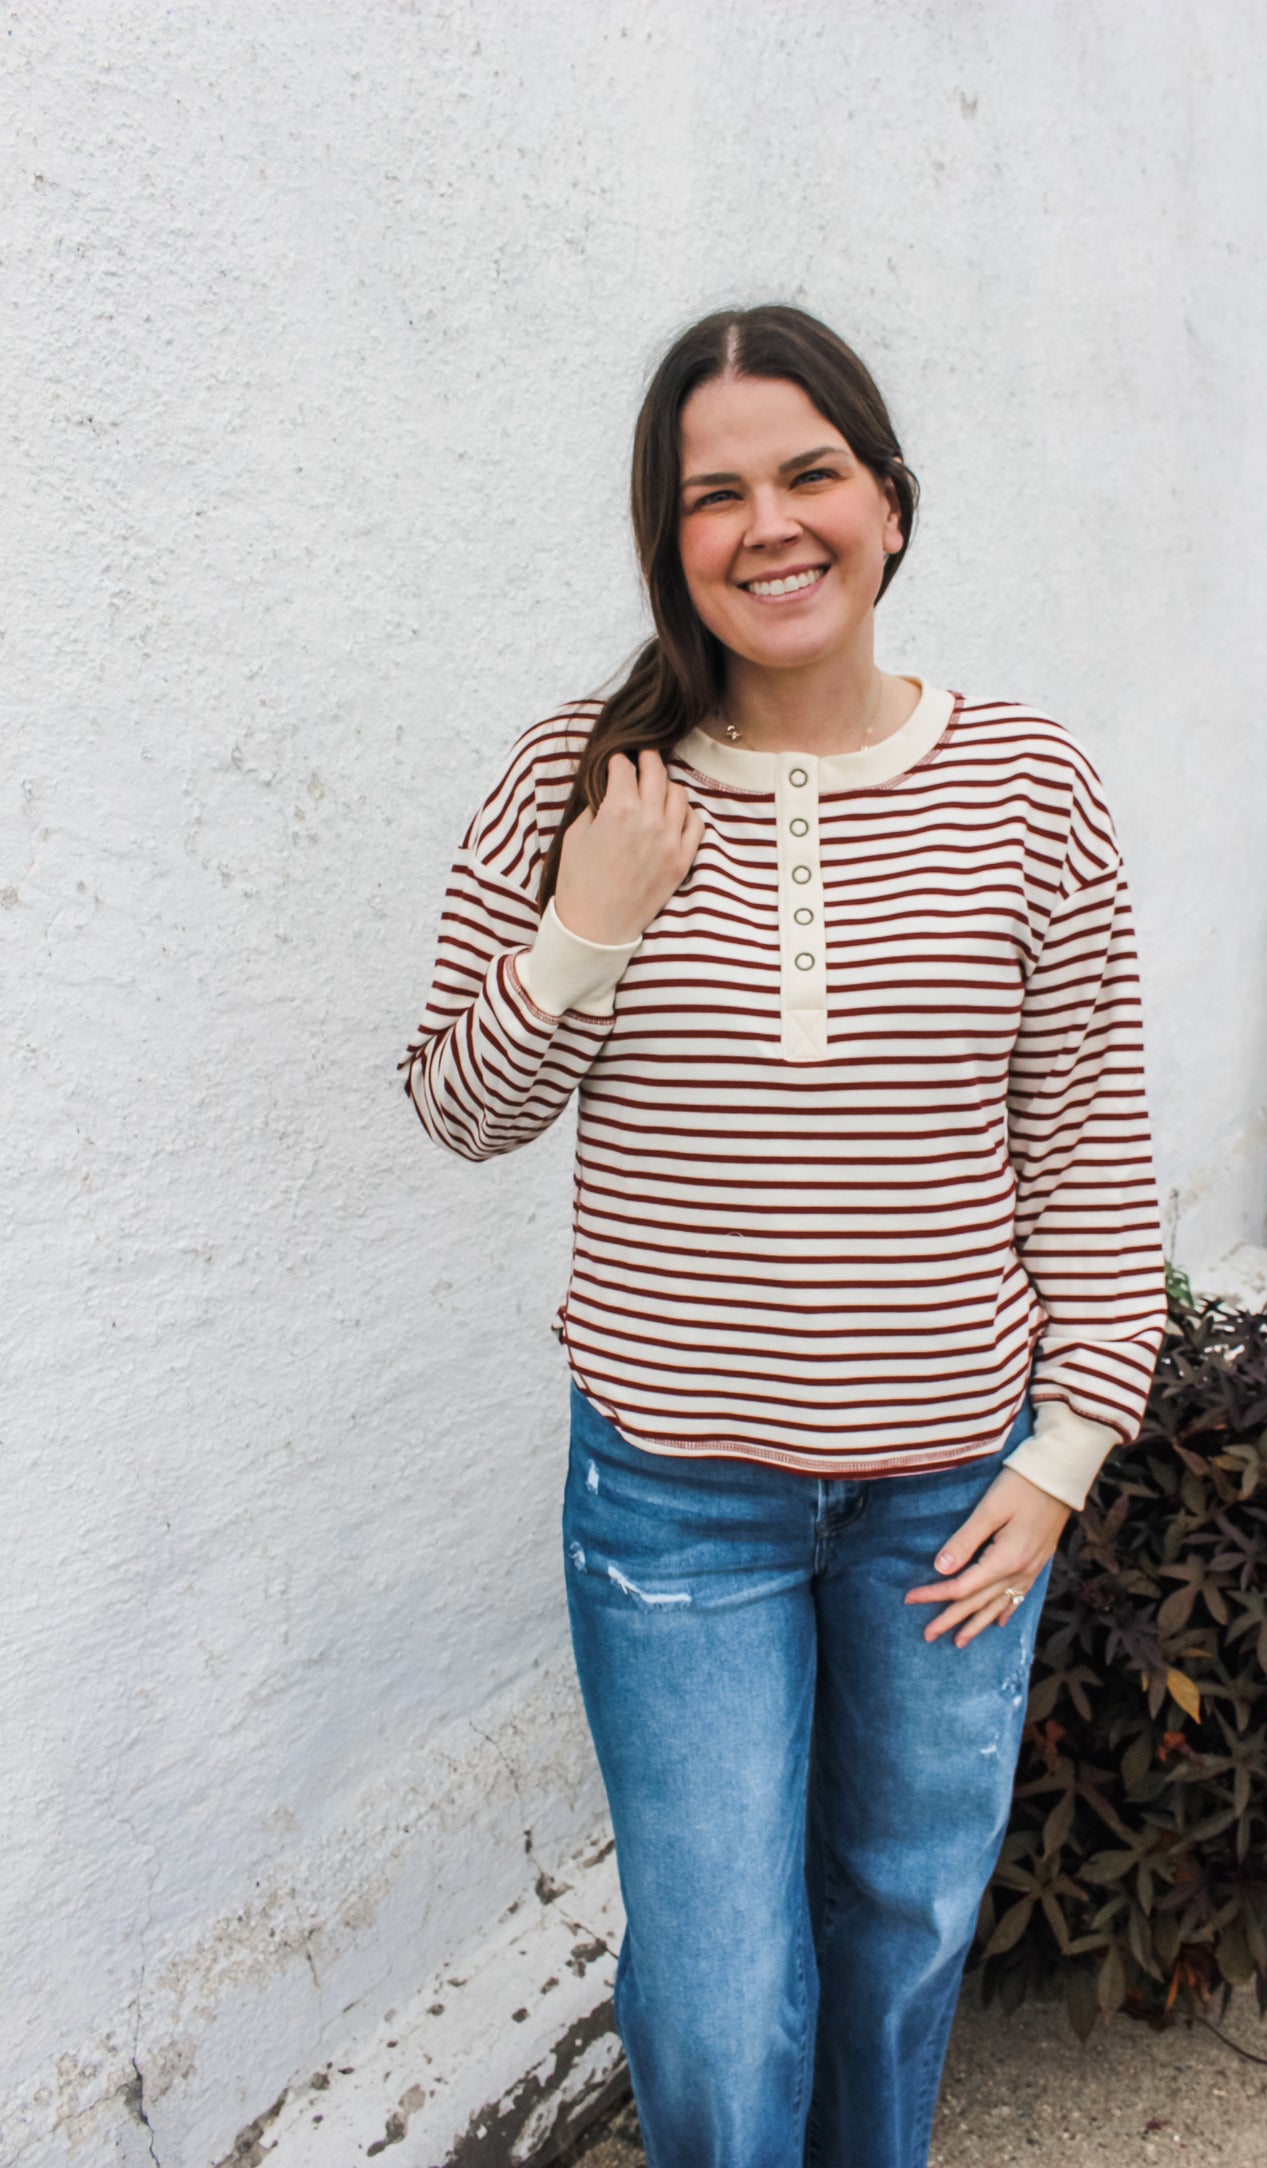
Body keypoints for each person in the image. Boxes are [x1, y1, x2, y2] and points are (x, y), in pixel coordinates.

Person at [401, 305, 1167, 2168]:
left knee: (900, 1929)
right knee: (719, 1978)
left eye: (810, 473)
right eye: (712, 492)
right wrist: (586, 922)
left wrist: (1064, 1456)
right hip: (677, 1498)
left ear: (889, 507)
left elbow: (1088, 1161)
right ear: (668, 545)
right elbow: (459, 1106)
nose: (770, 525)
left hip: (950, 1494)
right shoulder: (574, 780)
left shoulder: (1029, 786)